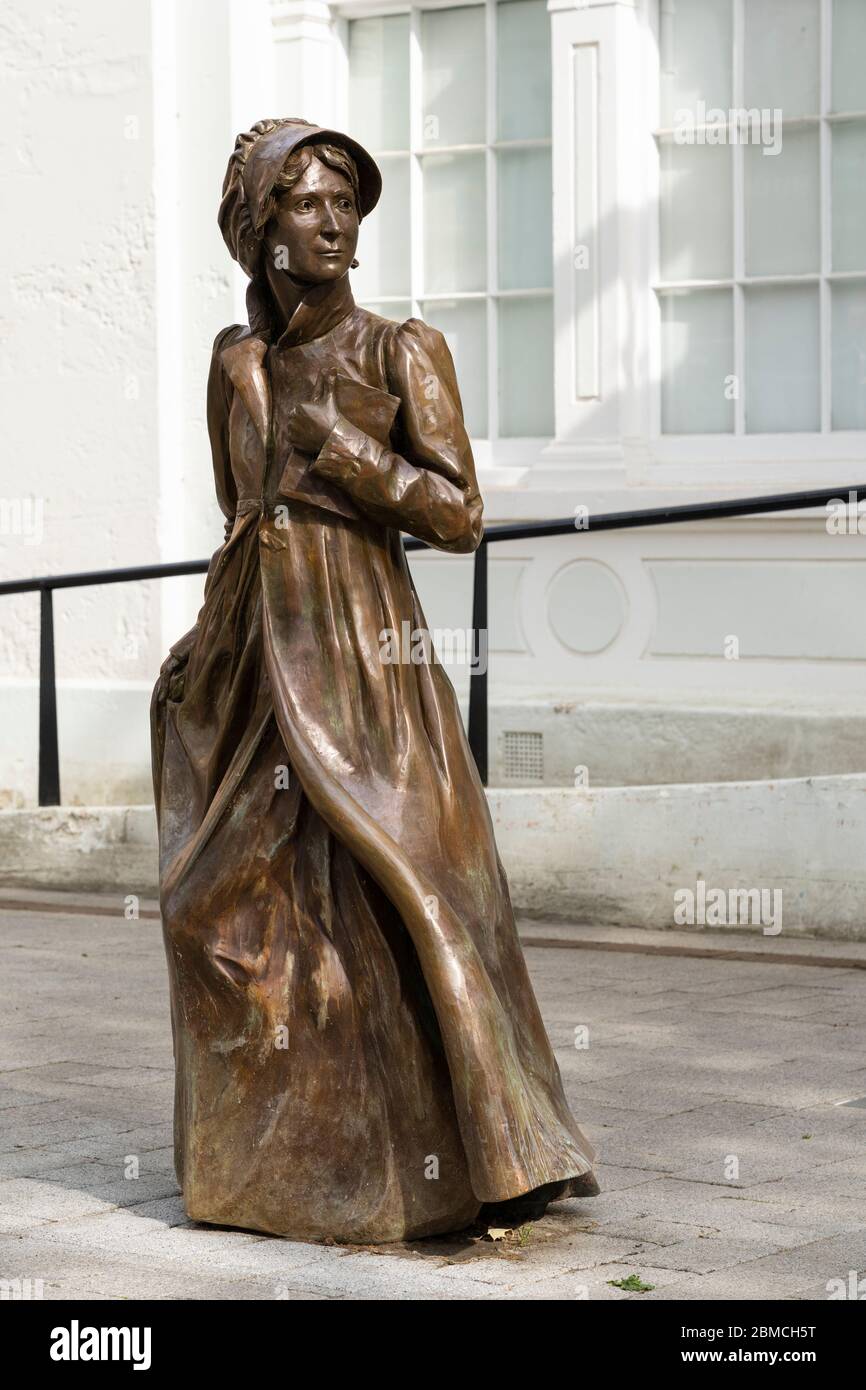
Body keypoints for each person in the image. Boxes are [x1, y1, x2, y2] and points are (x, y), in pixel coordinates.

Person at [151, 117, 599, 1243]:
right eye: (308, 201)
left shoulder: (400, 349)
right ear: (260, 230)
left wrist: (347, 456)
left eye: (347, 200)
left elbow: (458, 515)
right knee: (221, 907)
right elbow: (239, 514)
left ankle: (486, 1160)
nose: (335, 220)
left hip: (364, 654)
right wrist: (207, 642)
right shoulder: (236, 364)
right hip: (259, 651)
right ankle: (287, 1168)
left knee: (413, 889)